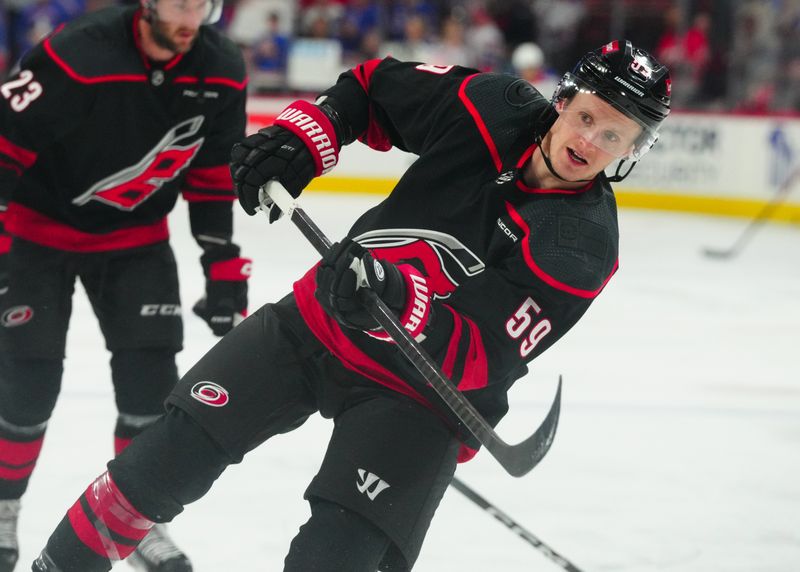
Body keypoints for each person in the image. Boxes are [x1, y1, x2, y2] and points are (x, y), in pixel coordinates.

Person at [31, 39, 670, 572]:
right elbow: (371, 90)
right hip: (318, 323)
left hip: (422, 397)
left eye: (614, 135)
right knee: (156, 466)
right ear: (563, 102)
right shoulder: (490, 108)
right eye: (587, 117)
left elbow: (484, 354)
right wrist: (304, 140)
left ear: (632, 152)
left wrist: (400, 297)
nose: (589, 141)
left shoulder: (580, 245)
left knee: (334, 560)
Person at [0, 1, 251, 571]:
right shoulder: (78, 52)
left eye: (204, 3)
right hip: (37, 234)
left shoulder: (222, 68)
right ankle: (3, 505)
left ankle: (133, 522)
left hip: (135, 240)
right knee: (27, 385)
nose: (193, 16)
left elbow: (212, 175)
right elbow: (6, 140)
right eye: (180, 2)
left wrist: (221, 267)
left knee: (150, 390)